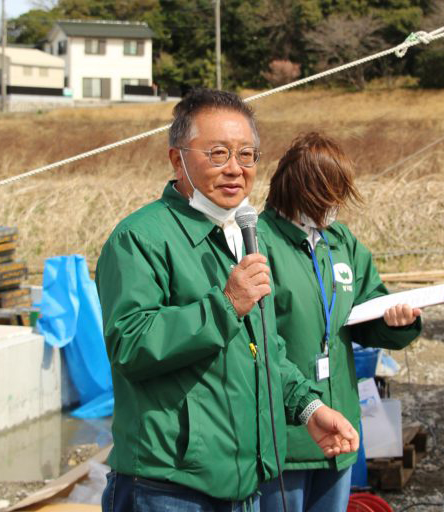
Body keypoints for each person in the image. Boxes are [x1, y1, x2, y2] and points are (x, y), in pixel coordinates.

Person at [95, 90, 359, 512]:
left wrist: (309, 408)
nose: (235, 169)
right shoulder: (139, 238)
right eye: (217, 154)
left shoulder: (243, 235)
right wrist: (226, 305)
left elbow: (265, 350)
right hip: (167, 487)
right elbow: (130, 344)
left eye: (247, 154)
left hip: (243, 483)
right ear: (176, 159)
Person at [258, 132, 422, 511]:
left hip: (341, 428)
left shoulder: (340, 241)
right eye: (327, 193)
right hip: (287, 436)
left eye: (339, 193)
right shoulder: (260, 241)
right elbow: (260, 343)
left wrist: (396, 321)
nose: (334, 204)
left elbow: (367, 306)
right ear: (298, 189)